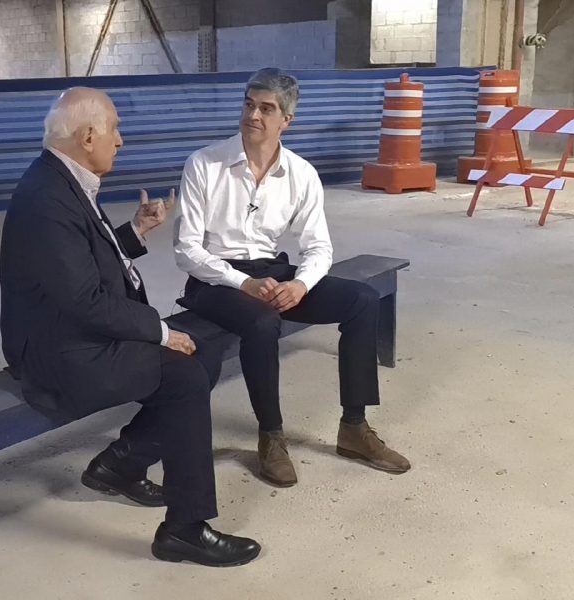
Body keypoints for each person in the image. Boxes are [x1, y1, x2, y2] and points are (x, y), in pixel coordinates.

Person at [0, 87, 260, 566]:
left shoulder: (60, 179)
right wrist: (159, 330)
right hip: (59, 354)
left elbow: (80, 264)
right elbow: (83, 300)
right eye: (115, 129)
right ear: (89, 134)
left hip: (72, 332)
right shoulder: (46, 200)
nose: (120, 140)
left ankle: (121, 465)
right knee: (184, 373)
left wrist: (134, 233)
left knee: (200, 355)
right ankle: (184, 528)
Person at [173, 68, 411, 488]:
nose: (253, 116)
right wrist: (240, 283)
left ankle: (353, 427)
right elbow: (187, 250)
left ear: (287, 120)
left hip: (272, 271)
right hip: (214, 280)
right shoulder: (204, 164)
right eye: (249, 105)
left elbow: (318, 246)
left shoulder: (301, 173)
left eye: (267, 109)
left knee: (361, 299)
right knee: (262, 322)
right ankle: (271, 436)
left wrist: (299, 284)